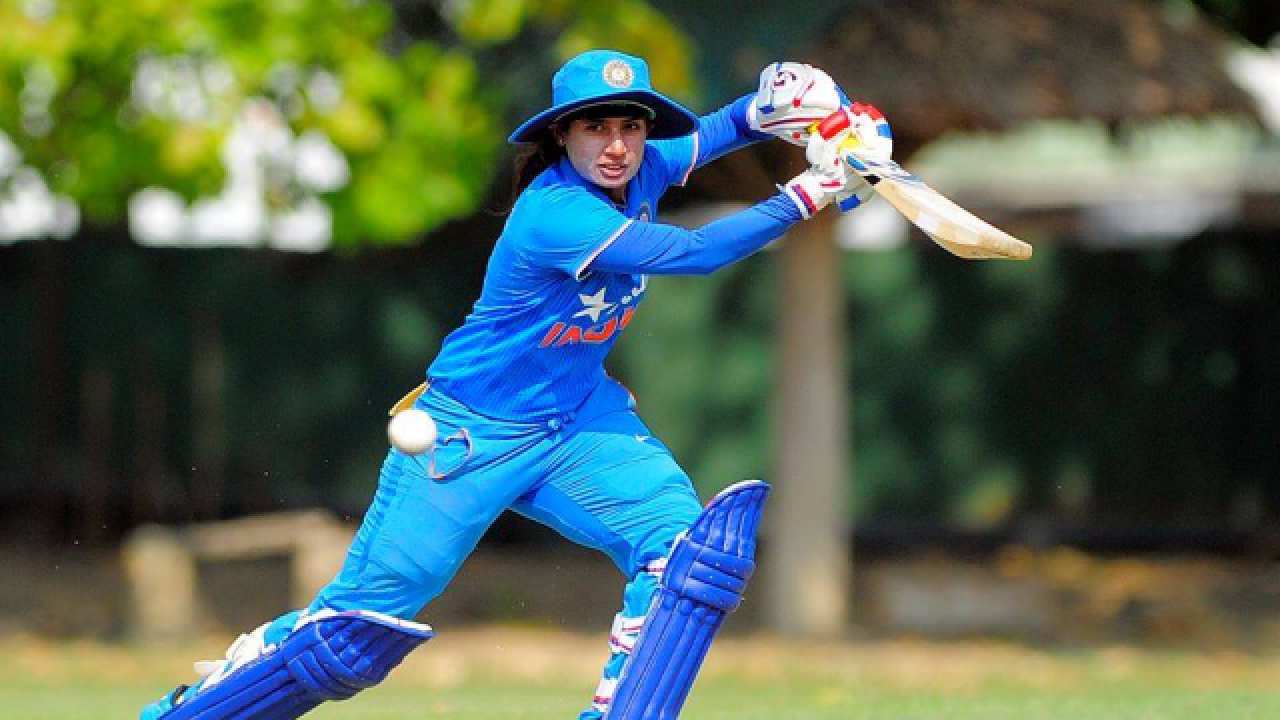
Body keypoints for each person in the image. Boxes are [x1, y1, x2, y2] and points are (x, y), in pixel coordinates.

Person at [141, 49, 892, 720]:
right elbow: (692, 252)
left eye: (631, 126)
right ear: (561, 134)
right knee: (350, 641)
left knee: (689, 559)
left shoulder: (643, 165)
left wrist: (777, 106)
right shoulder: (554, 213)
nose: (617, 145)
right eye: (595, 127)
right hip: (469, 435)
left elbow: (716, 131)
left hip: (579, 420)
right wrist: (815, 189)